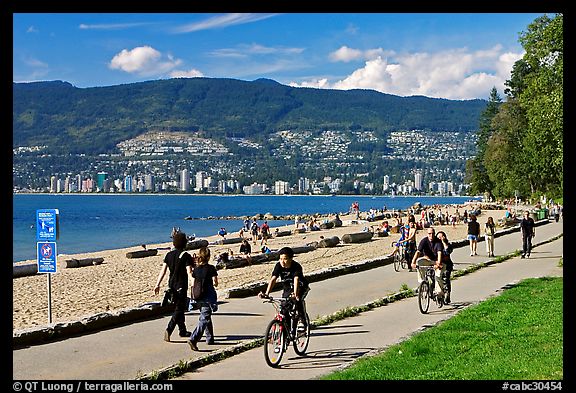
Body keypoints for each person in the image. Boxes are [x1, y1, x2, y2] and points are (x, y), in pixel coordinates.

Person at [153, 232, 195, 342]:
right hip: (181, 286)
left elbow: (163, 271)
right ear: (184, 243)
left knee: (179, 307)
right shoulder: (186, 255)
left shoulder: (169, 255)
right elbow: (189, 271)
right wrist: (192, 282)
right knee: (179, 309)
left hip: (171, 286)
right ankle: (169, 329)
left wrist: (157, 284)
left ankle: (182, 330)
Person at [258, 247, 309, 329]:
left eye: (285, 259)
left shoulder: (296, 266)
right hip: (288, 287)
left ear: (291, 259)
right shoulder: (278, 266)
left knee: (297, 300)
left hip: (301, 286)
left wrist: (295, 294)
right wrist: (267, 293)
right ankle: (286, 337)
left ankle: (302, 320)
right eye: (280, 259)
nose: (282, 261)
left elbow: (296, 279)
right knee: (284, 309)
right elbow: (273, 279)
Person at [188, 246, 218, 351]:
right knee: (204, 318)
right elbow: (215, 282)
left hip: (198, 295)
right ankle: (194, 338)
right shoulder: (211, 268)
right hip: (207, 296)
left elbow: (193, 281)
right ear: (208, 257)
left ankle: (210, 338)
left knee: (206, 317)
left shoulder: (196, 269)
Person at [411, 227, 445, 299]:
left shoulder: (438, 242)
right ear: (427, 234)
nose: (431, 235)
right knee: (419, 262)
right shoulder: (424, 241)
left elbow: (439, 253)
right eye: (429, 234)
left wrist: (438, 264)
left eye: (432, 234)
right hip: (429, 260)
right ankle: (422, 283)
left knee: (438, 276)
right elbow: (418, 252)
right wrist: (413, 262)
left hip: (438, 262)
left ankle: (439, 293)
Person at [436, 231, 453, 304]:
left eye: (441, 237)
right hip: (437, 265)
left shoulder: (448, 245)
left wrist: (443, 242)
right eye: (438, 237)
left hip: (447, 264)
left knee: (446, 279)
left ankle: (447, 293)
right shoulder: (435, 245)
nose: (439, 239)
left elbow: (447, 251)